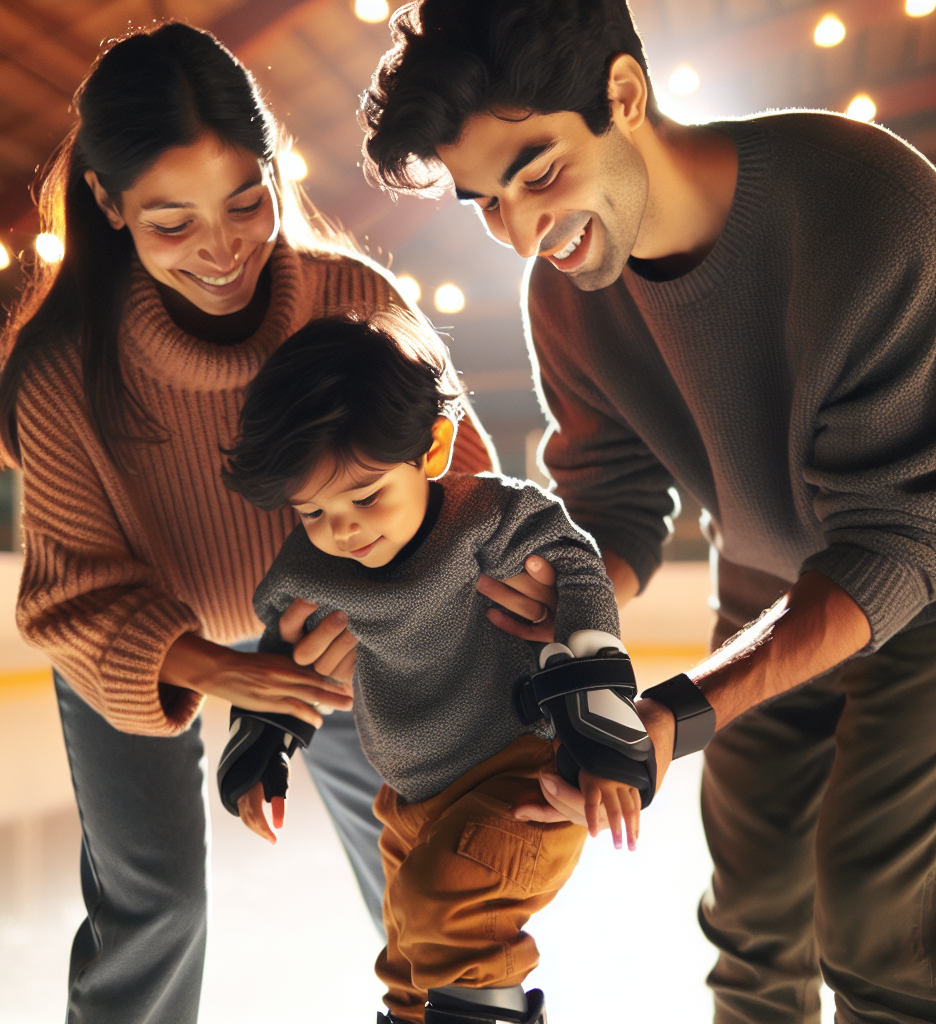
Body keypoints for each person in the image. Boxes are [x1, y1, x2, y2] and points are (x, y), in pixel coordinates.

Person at [357, 3, 936, 1024]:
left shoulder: (870, 207)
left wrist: (678, 711)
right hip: (767, 595)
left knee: (876, 925)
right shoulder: (567, 296)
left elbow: (895, 543)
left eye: (536, 173)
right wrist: (562, 602)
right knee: (752, 924)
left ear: (623, 96)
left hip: (922, 599)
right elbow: (617, 505)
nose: (523, 230)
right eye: (486, 201)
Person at [0, 22, 505, 1024]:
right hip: (140, 636)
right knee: (154, 905)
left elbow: (469, 493)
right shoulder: (61, 371)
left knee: (426, 867)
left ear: (275, 170)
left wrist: (388, 608)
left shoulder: (355, 303)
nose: (221, 251)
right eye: (170, 223)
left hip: (331, 611)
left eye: (246, 203)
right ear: (108, 202)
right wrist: (218, 670)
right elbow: (69, 596)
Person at [217, 309, 639, 1024]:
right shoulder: (310, 566)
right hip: (409, 800)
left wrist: (601, 720)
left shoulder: (488, 520)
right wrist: (261, 740)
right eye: (312, 512)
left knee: (449, 911)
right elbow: (281, 648)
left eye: (365, 495)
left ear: (433, 448)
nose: (342, 529)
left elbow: (578, 567)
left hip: (523, 773)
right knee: (409, 955)